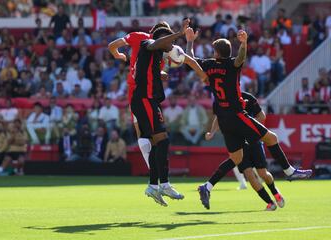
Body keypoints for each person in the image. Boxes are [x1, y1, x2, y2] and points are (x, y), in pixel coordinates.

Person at [185, 27, 312, 210]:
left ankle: (207, 187)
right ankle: (289, 171)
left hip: (224, 120)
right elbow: (240, 59)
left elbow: (191, 60)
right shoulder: (230, 65)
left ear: (216, 53)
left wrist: (190, 40)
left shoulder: (209, 65)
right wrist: (244, 43)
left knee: (236, 159)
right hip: (236, 115)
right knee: (272, 138)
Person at [130, 19, 208, 206]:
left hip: (150, 102)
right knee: (162, 141)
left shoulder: (160, 56)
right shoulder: (148, 44)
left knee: (159, 143)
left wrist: (189, 41)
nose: (172, 45)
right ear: (162, 39)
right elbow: (156, 43)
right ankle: (162, 184)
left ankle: (154, 185)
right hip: (143, 100)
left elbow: (185, 58)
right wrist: (180, 33)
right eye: (170, 41)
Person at [108, 21, 172, 204]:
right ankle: (156, 178)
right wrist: (119, 56)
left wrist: (119, 55)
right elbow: (112, 45)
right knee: (146, 133)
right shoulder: (144, 39)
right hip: (138, 92)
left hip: (143, 92)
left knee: (149, 134)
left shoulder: (152, 47)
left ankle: (154, 181)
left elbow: (113, 47)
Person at [203, 92, 285, 210]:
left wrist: (250, 130)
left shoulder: (248, 97)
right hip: (239, 143)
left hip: (254, 141)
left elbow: (261, 116)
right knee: (249, 175)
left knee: (263, 174)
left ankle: (275, 193)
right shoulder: (220, 100)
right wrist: (212, 132)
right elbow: (218, 117)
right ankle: (270, 202)